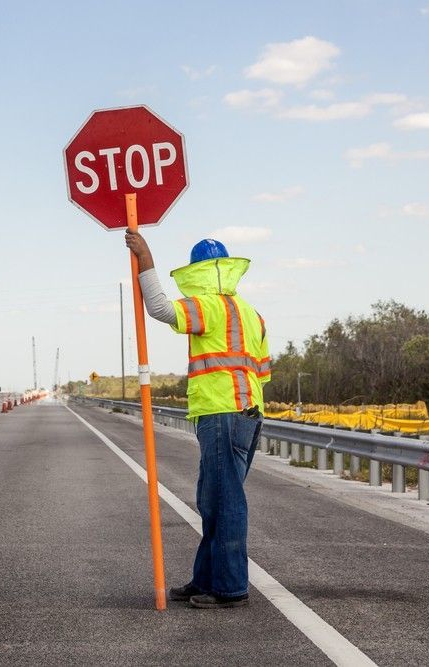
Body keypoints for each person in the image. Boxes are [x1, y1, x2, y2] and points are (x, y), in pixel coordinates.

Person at [126, 230, 270, 609]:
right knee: (213, 501)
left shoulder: (208, 306)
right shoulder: (252, 314)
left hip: (222, 414)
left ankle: (230, 587)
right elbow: (263, 371)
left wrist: (146, 259)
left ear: (200, 272)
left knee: (225, 503)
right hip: (247, 414)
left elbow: (158, 308)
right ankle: (206, 579)